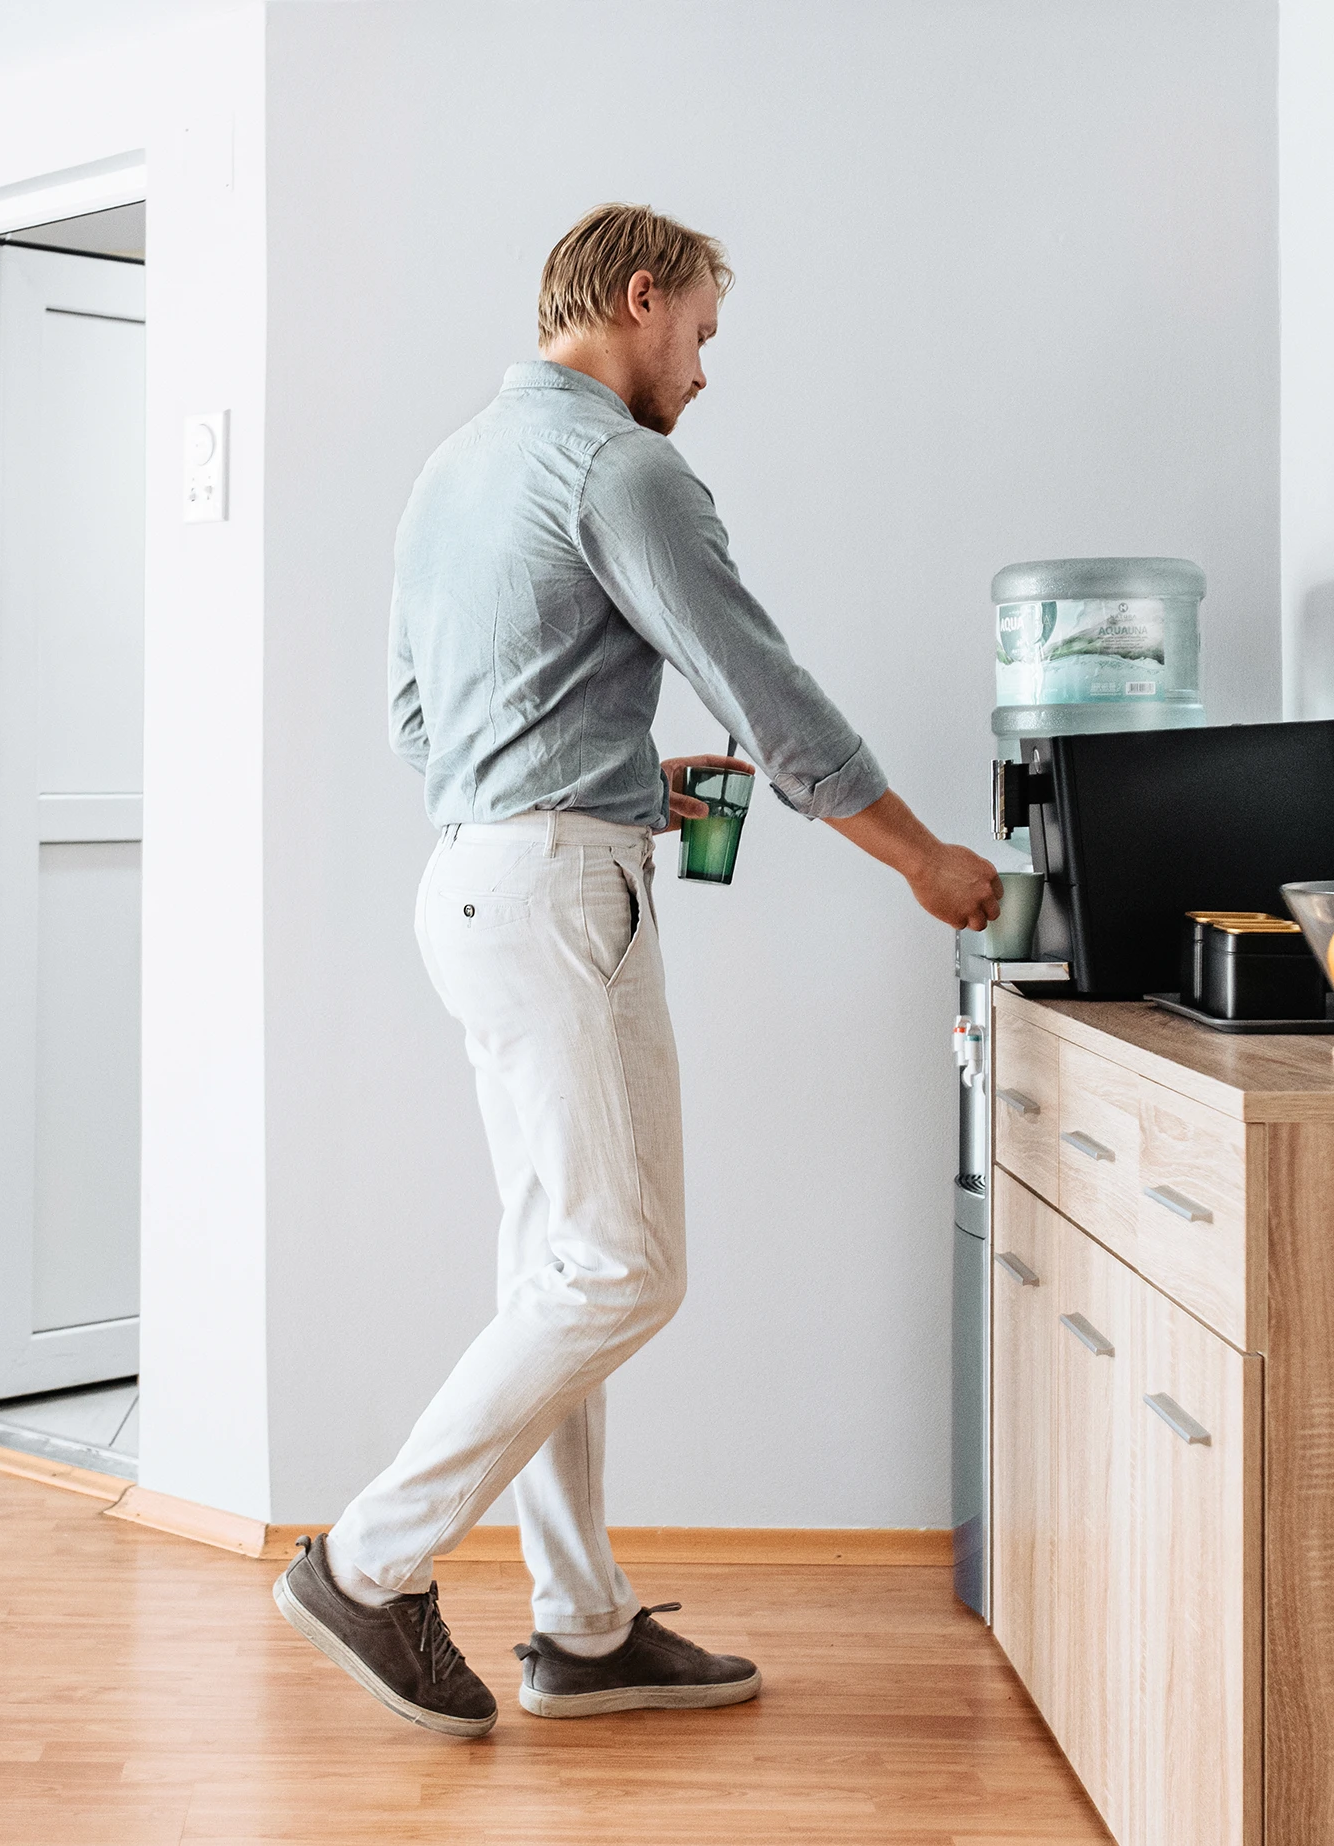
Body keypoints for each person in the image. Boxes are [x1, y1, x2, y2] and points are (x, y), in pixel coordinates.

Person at [273, 203, 1002, 1738]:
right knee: (622, 1269)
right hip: (554, 899)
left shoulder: (451, 468)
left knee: (560, 1266)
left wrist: (599, 780)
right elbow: (766, 687)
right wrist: (924, 856)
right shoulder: (624, 465)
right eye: (705, 337)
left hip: (477, 882)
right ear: (641, 296)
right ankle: (370, 1558)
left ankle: (585, 1627)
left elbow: (421, 721)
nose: (705, 371)